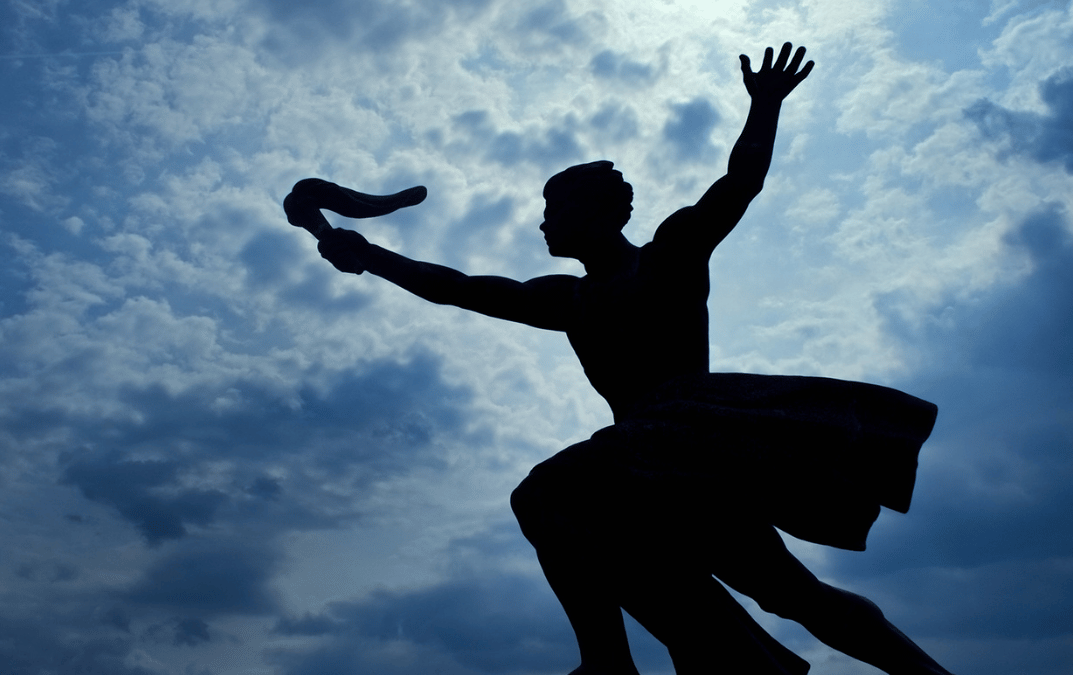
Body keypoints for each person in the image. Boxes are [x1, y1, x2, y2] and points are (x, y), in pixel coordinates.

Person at [292, 42, 955, 675]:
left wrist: (766, 102)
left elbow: (739, 182)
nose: (543, 222)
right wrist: (370, 256)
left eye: (555, 207)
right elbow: (460, 288)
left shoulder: (667, 258)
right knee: (788, 591)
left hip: (685, 437)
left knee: (550, 492)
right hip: (650, 465)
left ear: (599, 211)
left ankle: (609, 660)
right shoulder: (569, 299)